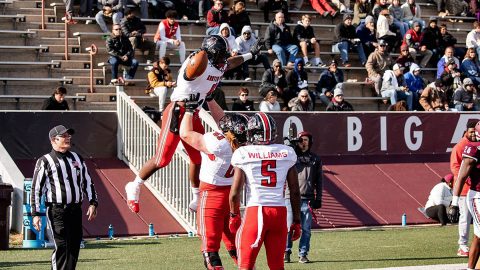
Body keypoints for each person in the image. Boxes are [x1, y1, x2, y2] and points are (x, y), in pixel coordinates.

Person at [124, 35, 263, 214]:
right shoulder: (199, 62)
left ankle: (196, 196)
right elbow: (193, 68)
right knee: (162, 159)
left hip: (193, 112)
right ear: (211, 54)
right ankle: (134, 185)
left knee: (197, 158)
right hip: (177, 111)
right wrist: (199, 56)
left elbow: (231, 62)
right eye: (221, 54)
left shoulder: (218, 64)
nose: (224, 58)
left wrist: (250, 54)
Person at [229, 112, 302, 270]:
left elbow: (235, 192)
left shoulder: (244, 153)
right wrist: (297, 220)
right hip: (279, 213)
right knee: (277, 266)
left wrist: (234, 215)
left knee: (245, 265)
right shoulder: (286, 152)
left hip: (256, 212)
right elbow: (295, 191)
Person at [179, 108, 249, 269]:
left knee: (210, 251)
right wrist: (209, 100)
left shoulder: (217, 143)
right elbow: (223, 125)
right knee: (234, 244)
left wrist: (189, 111)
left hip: (211, 195)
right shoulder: (246, 146)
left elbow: (185, 133)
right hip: (232, 196)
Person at [30, 125, 98, 270]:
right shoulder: (45, 161)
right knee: (62, 246)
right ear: (54, 140)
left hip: (75, 210)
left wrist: (93, 203)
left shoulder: (77, 158)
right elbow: (36, 189)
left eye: (69, 135)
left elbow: (88, 182)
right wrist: (35, 214)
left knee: (74, 246)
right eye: (64, 136)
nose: (68, 138)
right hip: (57, 211)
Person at [284, 131, 323, 264]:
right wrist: (291, 149)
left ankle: (303, 254)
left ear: (310, 142)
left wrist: (319, 198)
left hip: (308, 199)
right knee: (288, 227)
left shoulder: (315, 159)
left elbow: (319, 180)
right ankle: (286, 252)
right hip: (290, 198)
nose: (303, 142)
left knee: (306, 229)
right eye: (301, 140)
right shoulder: (291, 156)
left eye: (306, 140)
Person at [449, 121, 480, 269]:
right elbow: (460, 176)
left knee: (478, 236)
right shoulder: (472, 149)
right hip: (477, 197)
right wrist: (454, 203)